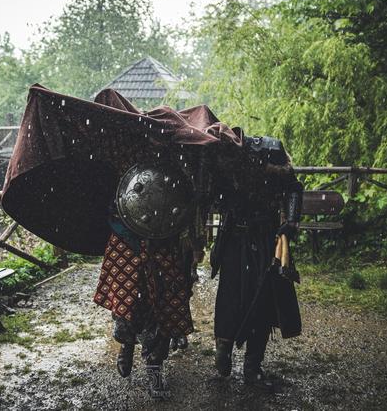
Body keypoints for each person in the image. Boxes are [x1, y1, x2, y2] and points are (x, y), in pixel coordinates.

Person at [92, 162, 206, 398]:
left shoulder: (177, 147)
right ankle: (126, 343)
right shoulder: (119, 143)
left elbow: (188, 199)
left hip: (164, 240)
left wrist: (194, 241)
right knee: (127, 301)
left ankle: (155, 367)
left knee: (163, 306)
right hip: (125, 237)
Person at [210, 134, 303, 385]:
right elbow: (212, 190)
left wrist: (291, 222)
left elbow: (293, 188)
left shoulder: (273, 153)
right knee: (230, 296)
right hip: (234, 238)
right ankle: (224, 348)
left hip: (265, 238)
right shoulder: (228, 156)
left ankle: (252, 364)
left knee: (262, 298)